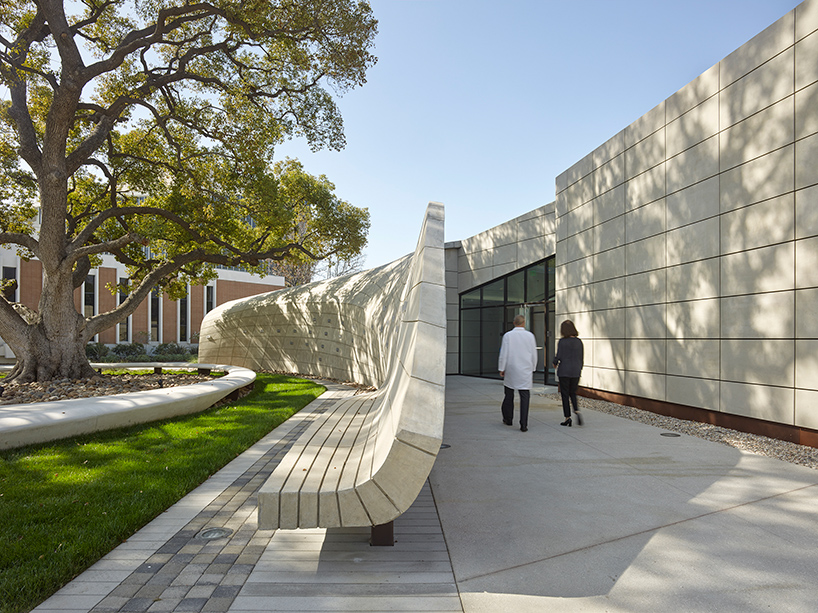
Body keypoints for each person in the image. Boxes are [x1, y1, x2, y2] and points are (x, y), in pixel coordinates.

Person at [498, 314, 538, 432]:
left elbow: (504, 353)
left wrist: (502, 368)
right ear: (524, 323)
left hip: (511, 368)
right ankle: (523, 424)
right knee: (525, 396)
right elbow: (533, 353)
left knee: (509, 394)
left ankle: (508, 418)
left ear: (514, 323)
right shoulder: (530, 336)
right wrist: (533, 367)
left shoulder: (508, 336)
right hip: (525, 369)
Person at [552, 319, 584, 427]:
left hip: (564, 371)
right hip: (575, 371)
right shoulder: (579, 342)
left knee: (565, 394)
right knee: (573, 393)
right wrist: (579, 368)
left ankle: (567, 417)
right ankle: (577, 410)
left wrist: (554, 363)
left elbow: (559, 356)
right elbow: (581, 358)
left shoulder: (562, 342)